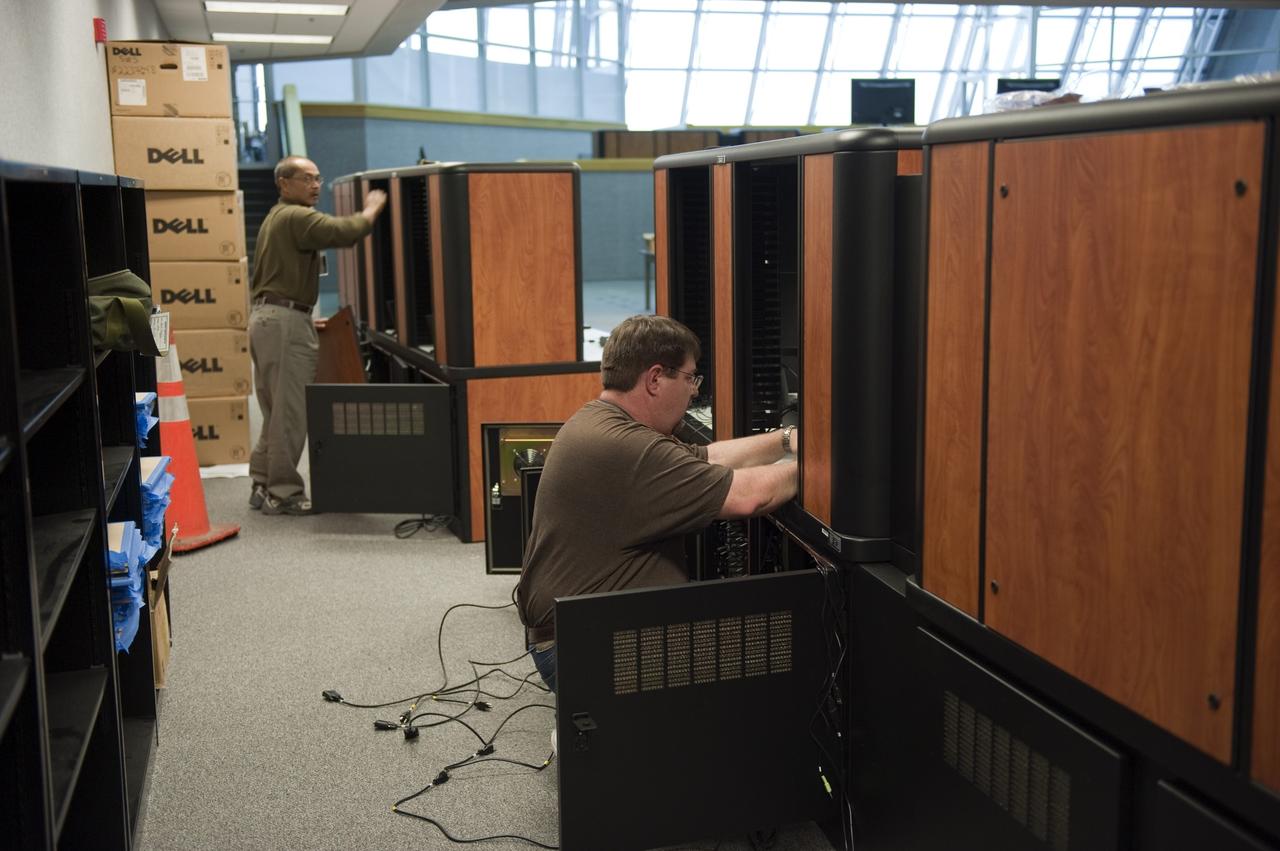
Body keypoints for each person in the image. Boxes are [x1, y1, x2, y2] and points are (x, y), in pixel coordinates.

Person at [515, 314, 799, 693]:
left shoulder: (604, 421)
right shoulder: (625, 446)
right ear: (654, 379)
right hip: (587, 647)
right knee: (780, 645)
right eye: (690, 378)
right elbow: (749, 497)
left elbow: (710, 457)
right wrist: (820, 466)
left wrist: (785, 439)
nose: (694, 392)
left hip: (584, 630)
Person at [248, 156, 387, 515]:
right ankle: (283, 493)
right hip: (285, 322)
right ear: (283, 183)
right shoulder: (296, 216)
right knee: (290, 412)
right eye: (306, 179)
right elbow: (344, 231)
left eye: (317, 178)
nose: (315, 185)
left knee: (274, 409)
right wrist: (371, 209)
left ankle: (262, 482)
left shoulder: (276, 216)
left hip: (267, 318)